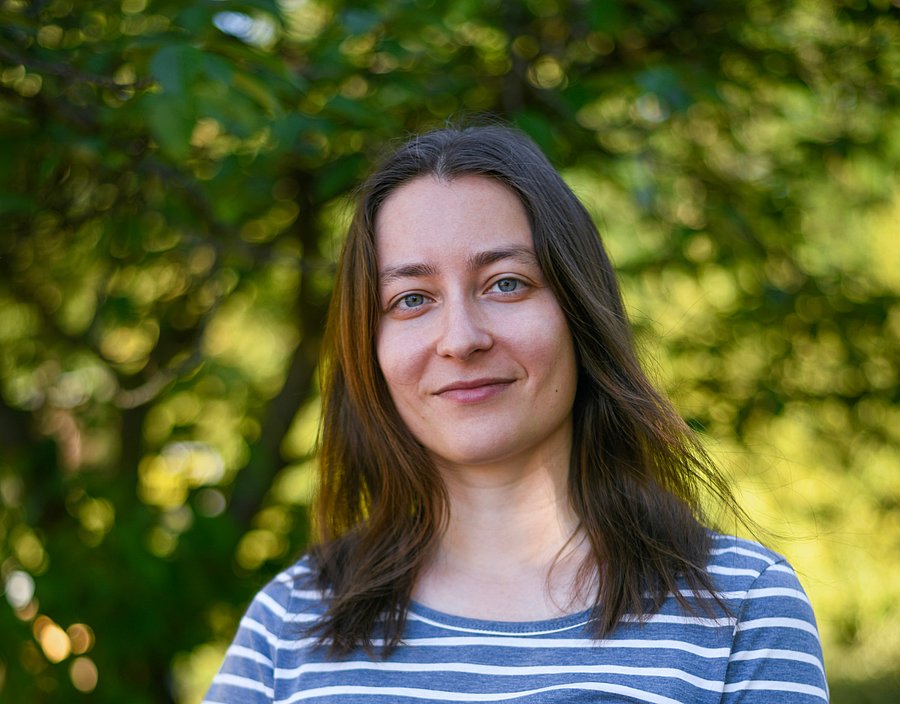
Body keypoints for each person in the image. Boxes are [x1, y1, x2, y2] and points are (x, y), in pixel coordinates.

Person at [203, 125, 828, 703]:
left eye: (506, 283)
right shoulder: (291, 622)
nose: (461, 338)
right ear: (369, 348)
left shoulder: (741, 607)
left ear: (579, 312)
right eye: (411, 298)